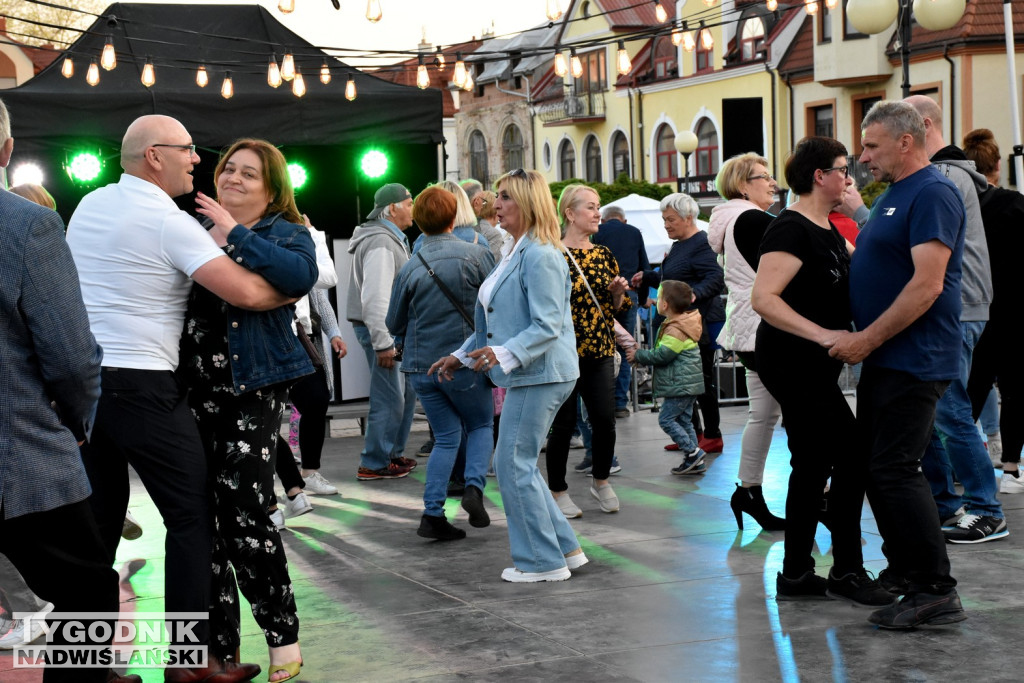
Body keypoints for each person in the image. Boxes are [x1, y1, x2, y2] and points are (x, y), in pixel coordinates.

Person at [68, 114, 278, 682]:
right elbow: (252, 294)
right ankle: (187, 667)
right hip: (142, 385)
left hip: (86, 386)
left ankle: (91, 670)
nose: (197, 160)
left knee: (98, 533)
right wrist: (296, 270)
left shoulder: (90, 204)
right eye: (188, 150)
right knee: (192, 518)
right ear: (154, 156)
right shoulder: (168, 222)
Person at [0, 99, 139, 683]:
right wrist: (79, 424)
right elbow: (73, 359)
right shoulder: (28, 225)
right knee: (84, 598)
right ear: (6, 149)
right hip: (21, 456)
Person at [178, 139, 317, 682]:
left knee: (246, 508)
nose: (234, 179)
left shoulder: (286, 231)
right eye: (228, 169)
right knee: (201, 519)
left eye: (249, 174)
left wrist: (232, 233)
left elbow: (297, 276)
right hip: (189, 388)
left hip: (252, 385)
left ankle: (282, 633)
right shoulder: (186, 226)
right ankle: (219, 652)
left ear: (272, 187)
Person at [830, 100, 966, 628]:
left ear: (905, 142)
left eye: (871, 146)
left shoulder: (932, 191)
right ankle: (908, 574)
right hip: (889, 356)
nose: (863, 157)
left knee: (895, 468)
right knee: (880, 468)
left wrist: (867, 338)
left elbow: (928, 284)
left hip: (915, 356)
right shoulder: (893, 195)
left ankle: (935, 589)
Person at [751, 136, 892, 608]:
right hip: (792, 360)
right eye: (841, 168)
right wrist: (823, 335)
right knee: (852, 455)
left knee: (811, 463)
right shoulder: (789, 228)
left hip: (814, 362)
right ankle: (848, 570)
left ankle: (795, 574)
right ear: (819, 176)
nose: (849, 176)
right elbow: (764, 300)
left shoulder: (829, 228)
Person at [431, 169, 585, 582]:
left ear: (528, 203)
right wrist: (460, 356)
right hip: (532, 371)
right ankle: (564, 550)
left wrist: (502, 354)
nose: (495, 203)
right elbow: (494, 325)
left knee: (512, 462)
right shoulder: (517, 251)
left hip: (543, 372)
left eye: (505, 197)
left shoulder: (540, 254)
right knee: (518, 463)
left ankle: (541, 562)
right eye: (497, 196)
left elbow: (548, 324)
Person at [902, 96, 1004, 544]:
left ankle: (986, 509)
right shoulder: (956, 175)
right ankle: (950, 505)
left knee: (950, 410)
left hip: (956, 307)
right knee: (941, 411)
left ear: (923, 125)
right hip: (960, 305)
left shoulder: (943, 177)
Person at [386, 186, 496, 540]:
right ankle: (473, 489)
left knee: (446, 437)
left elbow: (393, 323)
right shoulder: (478, 255)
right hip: (464, 363)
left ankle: (432, 513)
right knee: (480, 425)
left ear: (417, 221)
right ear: (454, 217)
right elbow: (497, 307)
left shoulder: (410, 265)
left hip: (421, 368)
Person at [706, 152, 785, 531]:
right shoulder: (752, 219)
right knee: (802, 416)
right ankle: (819, 496)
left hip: (747, 327)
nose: (772, 183)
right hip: (765, 328)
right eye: (763, 177)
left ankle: (749, 490)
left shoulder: (730, 219)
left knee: (764, 414)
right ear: (742, 184)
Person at [545, 184, 628, 518]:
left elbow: (617, 310)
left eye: (598, 207)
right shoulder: (552, 253)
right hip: (563, 352)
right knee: (563, 425)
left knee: (605, 420)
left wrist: (618, 293)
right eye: (591, 207)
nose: (597, 213)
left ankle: (602, 480)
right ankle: (558, 490)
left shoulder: (603, 254)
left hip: (599, 349)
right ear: (570, 214)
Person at [632, 193, 725, 455]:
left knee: (701, 380)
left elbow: (716, 277)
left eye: (670, 220)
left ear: (688, 218)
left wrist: (694, 294)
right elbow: (671, 277)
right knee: (684, 382)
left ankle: (712, 434)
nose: (666, 225)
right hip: (680, 325)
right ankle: (691, 434)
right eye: (664, 220)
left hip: (699, 324)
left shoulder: (702, 244)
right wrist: (649, 276)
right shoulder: (680, 245)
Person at [962, 128, 1024, 489]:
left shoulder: (960, 203)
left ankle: (960, 466)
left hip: (974, 308)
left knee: (970, 391)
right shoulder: (1014, 204)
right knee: (1015, 391)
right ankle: (1011, 469)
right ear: (997, 165)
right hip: (1014, 311)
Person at [345, 183, 419, 480]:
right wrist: (383, 342)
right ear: (392, 208)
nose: (413, 207)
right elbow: (375, 298)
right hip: (384, 332)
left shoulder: (388, 239)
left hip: (388, 331)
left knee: (402, 395)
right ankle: (374, 462)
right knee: (390, 398)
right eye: (409, 202)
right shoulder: (381, 242)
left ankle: (390, 455)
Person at [627, 281, 706, 474]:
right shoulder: (681, 323)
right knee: (684, 421)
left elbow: (663, 355)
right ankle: (694, 460)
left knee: (666, 420)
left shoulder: (675, 329)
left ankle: (693, 452)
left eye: (659, 296)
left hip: (680, 384)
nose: (656, 300)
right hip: (687, 384)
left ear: (665, 305)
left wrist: (638, 355)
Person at [593, 204, 650, 417]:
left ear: (604, 220)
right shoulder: (634, 232)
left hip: (602, 296)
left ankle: (603, 401)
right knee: (626, 346)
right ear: (623, 220)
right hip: (630, 293)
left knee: (601, 347)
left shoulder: (597, 232)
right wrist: (643, 299)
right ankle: (619, 403)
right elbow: (644, 267)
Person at [461, 178, 506, 258]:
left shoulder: (450, 227)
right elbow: (492, 267)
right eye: (483, 200)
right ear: (477, 202)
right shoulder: (493, 235)